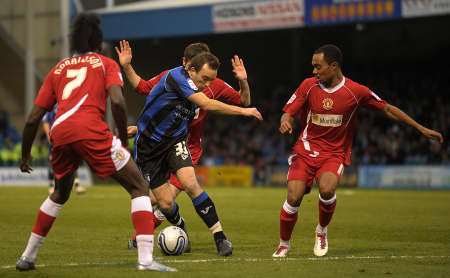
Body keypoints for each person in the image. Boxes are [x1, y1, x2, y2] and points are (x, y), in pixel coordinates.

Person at [16, 13, 175, 272]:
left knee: (59, 193)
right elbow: (118, 102)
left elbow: (34, 117)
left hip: (61, 133)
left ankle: (27, 257)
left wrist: (25, 155)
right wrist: (122, 141)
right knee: (138, 186)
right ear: (99, 42)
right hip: (90, 130)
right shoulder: (105, 63)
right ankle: (146, 260)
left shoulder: (58, 68)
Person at [273, 44, 443, 258]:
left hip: (334, 153)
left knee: (326, 190)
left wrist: (420, 128)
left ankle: (321, 231)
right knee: (294, 196)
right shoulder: (308, 86)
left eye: (318, 66)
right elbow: (288, 111)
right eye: (313, 66)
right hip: (306, 150)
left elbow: (387, 108)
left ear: (334, 66)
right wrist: (285, 120)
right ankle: (284, 244)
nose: (314, 71)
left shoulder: (355, 91)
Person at [115, 40, 251, 250]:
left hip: (183, 142)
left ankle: (220, 238)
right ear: (189, 66)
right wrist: (126, 66)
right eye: (186, 63)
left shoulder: (213, 83)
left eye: (209, 78)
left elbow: (243, 101)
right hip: (150, 147)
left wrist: (243, 81)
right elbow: (143, 87)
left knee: (190, 184)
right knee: (163, 201)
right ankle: (175, 224)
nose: (206, 84)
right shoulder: (174, 76)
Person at [42, 105, 86, 195]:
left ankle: (77, 184)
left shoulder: (69, 104)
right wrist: (48, 135)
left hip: (67, 137)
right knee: (53, 161)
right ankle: (51, 185)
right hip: (55, 137)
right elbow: (45, 121)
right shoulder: (52, 106)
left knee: (72, 160)